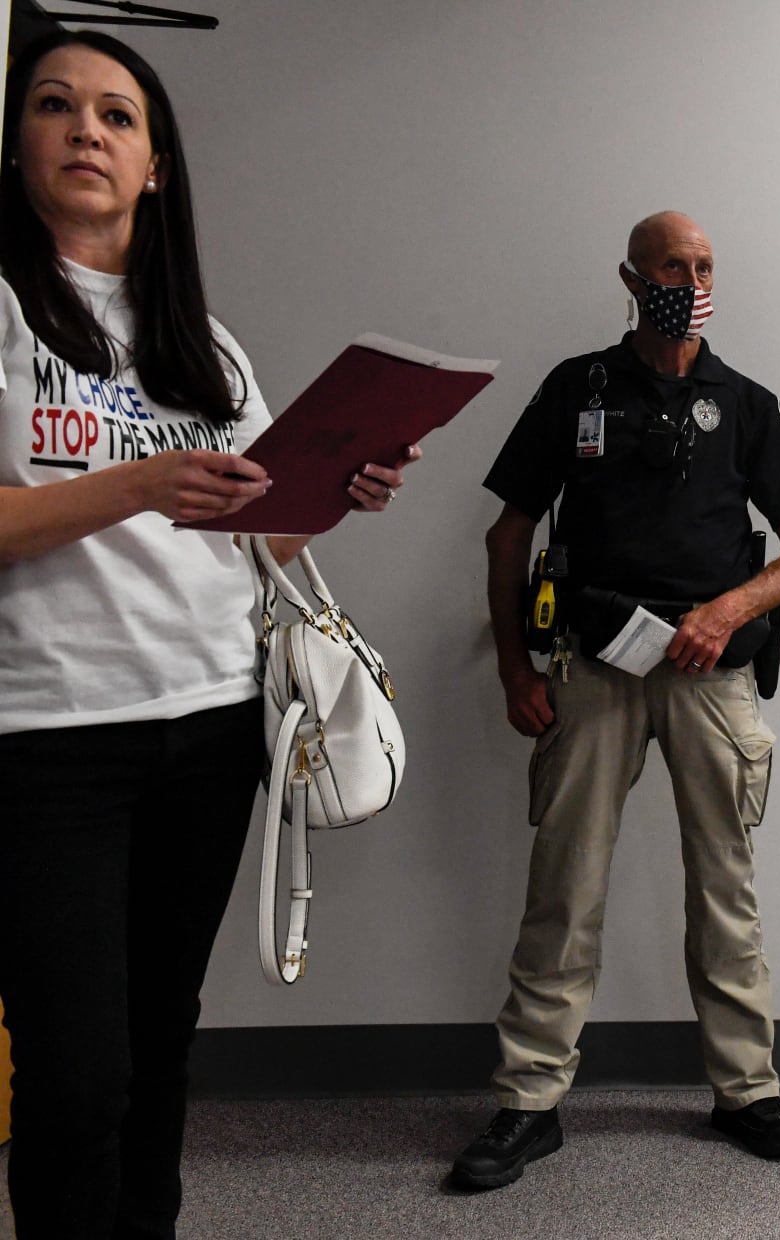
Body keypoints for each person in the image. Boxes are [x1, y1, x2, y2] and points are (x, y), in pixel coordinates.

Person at [0, 32, 418, 1237]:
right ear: (19, 144)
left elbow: (248, 545)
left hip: (210, 728)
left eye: (119, 116)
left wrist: (338, 487)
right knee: (75, 1079)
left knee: (155, 1049)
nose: (87, 129)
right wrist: (138, 483)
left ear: (157, 167)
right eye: (55, 106)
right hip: (46, 740)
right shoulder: (7, 309)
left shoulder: (208, 343)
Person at [460, 210, 780, 1186]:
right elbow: (509, 534)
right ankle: (529, 1100)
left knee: (727, 889)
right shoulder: (576, 388)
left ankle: (746, 1086)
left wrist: (729, 608)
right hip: (597, 665)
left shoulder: (747, 403)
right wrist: (513, 668)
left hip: (716, 675)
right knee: (564, 886)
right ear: (632, 275)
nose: (691, 278)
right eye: (674, 264)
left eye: (706, 265)